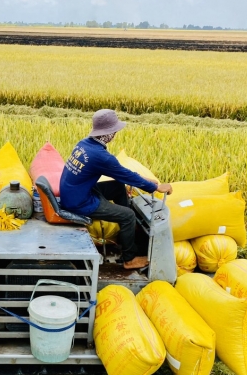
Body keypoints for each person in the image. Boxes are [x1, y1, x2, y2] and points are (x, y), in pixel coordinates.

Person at [59, 109, 173, 269]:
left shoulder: (84, 143)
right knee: (128, 215)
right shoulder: (101, 156)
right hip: (79, 201)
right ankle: (129, 258)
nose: (115, 134)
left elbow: (120, 175)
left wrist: (146, 181)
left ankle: (127, 234)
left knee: (118, 187)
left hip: (75, 191)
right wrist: (156, 187)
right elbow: (124, 173)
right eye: (115, 131)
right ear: (109, 133)